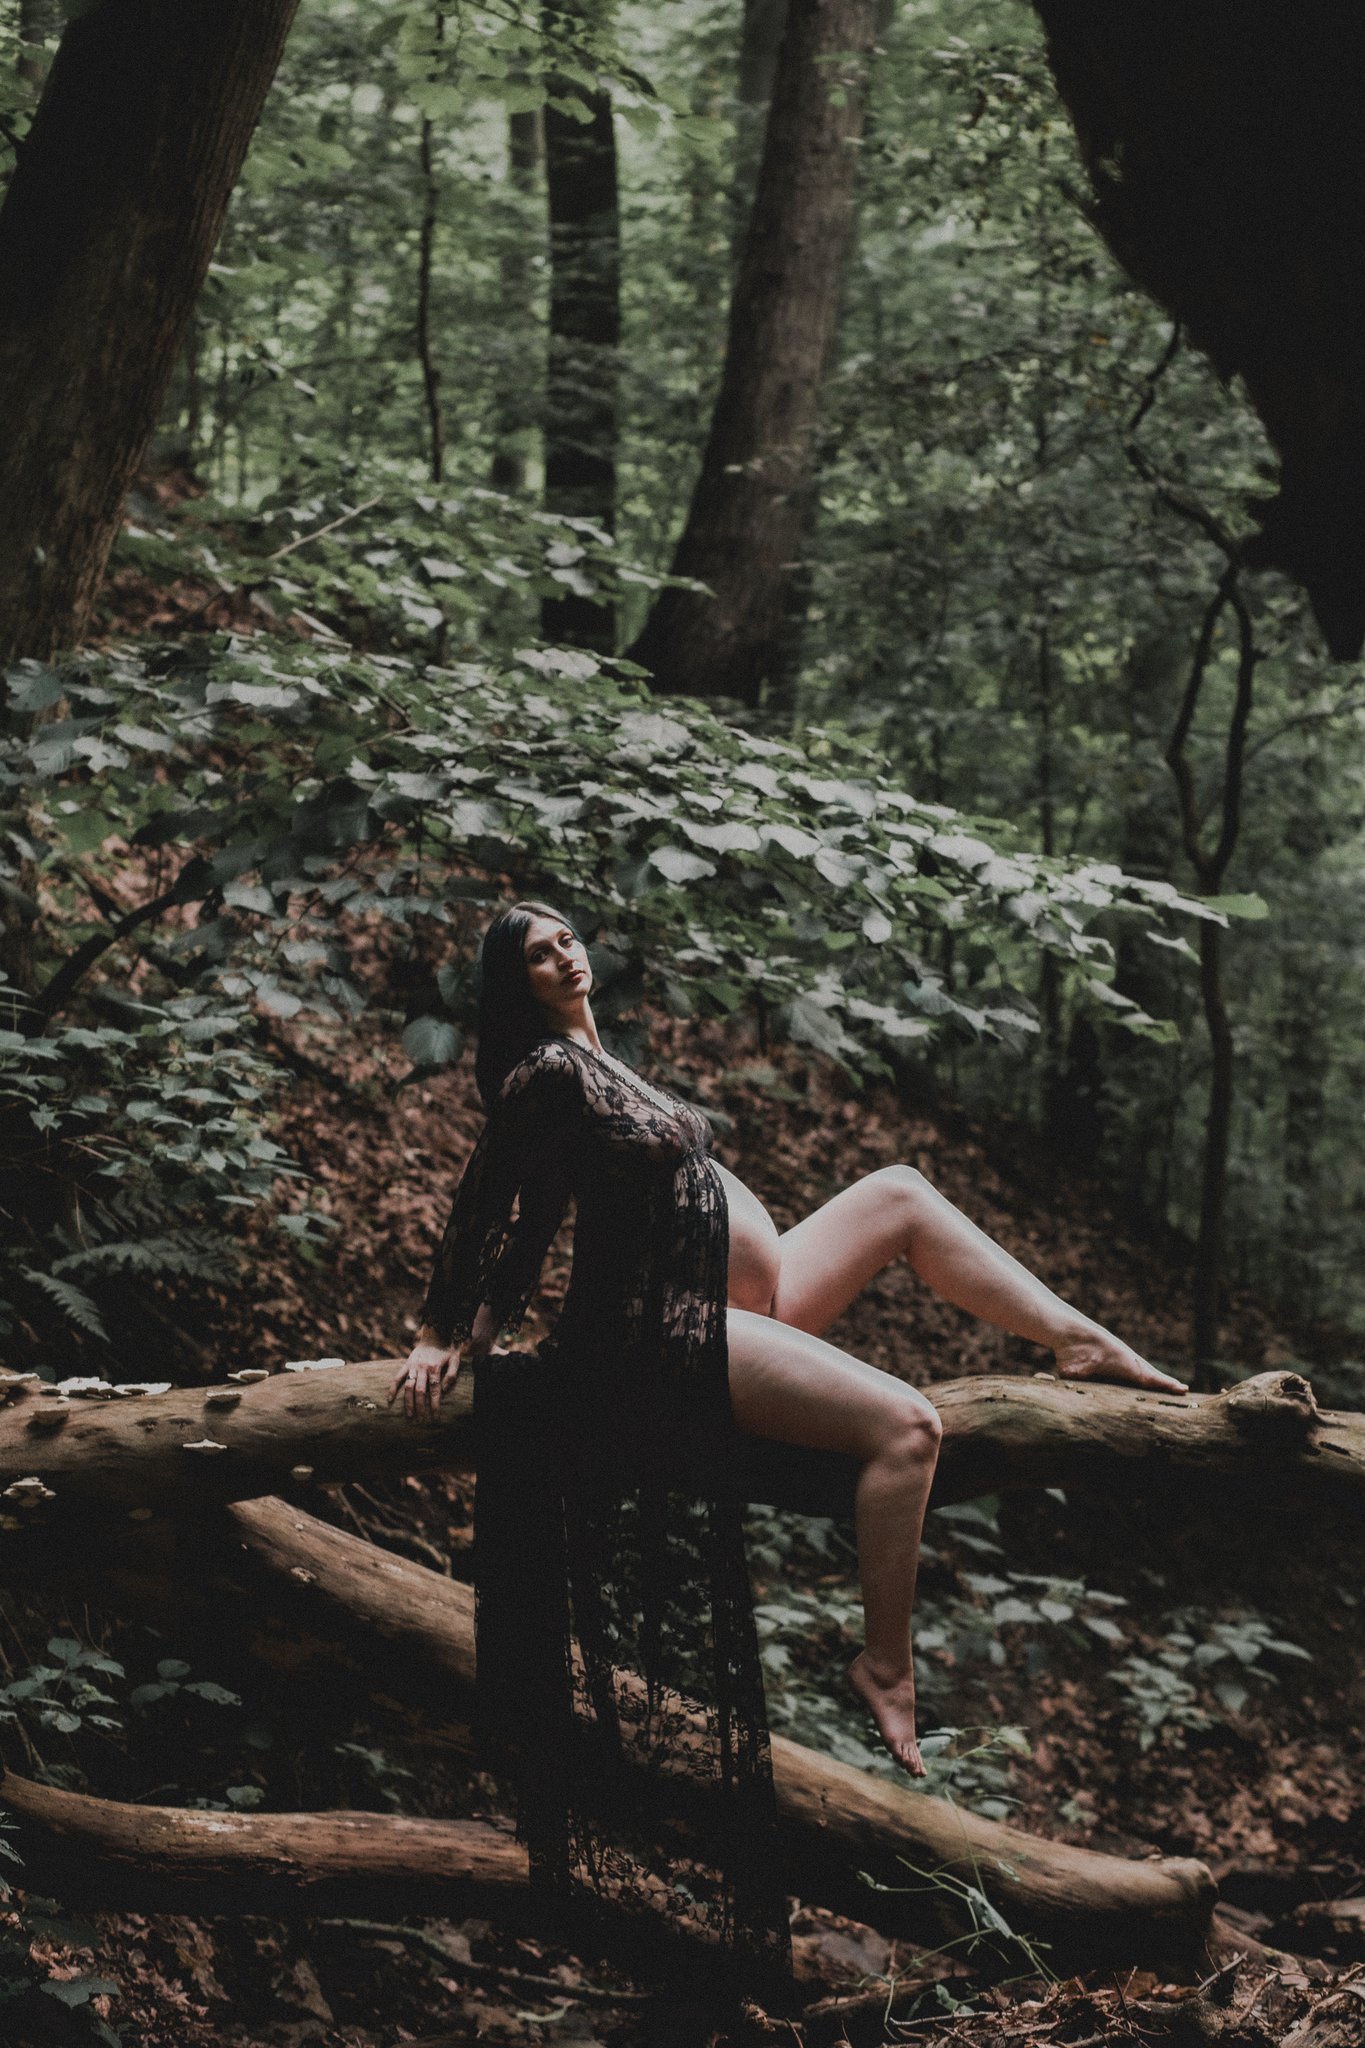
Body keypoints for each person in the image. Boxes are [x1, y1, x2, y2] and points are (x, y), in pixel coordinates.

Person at [390, 899, 1187, 2000]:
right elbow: (501, 1202)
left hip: (729, 1297)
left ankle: (1079, 1337)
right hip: (660, 1333)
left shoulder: (598, 1059)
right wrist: (445, 1332)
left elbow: (556, 1206)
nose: (566, 955)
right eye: (538, 952)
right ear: (511, 981)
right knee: (909, 1426)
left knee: (900, 1192)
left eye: (568, 937)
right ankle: (884, 1665)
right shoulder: (545, 1073)